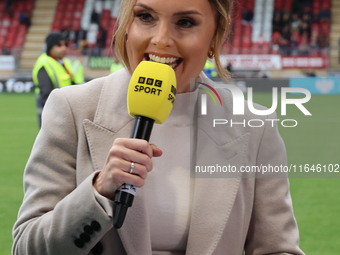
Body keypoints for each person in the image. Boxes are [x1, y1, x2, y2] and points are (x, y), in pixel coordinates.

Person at [13, 1, 305, 254]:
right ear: (127, 24)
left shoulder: (256, 125)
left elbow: (277, 249)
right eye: (146, 17)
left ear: (217, 36)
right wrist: (98, 192)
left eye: (186, 22)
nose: (161, 39)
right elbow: (27, 247)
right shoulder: (72, 107)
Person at [32, 32, 80, 127]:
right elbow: (46, 93)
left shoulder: (65, 62)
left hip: (67, 110)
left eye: (65, 45)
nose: (64, 48)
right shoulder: (44, 64)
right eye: (59, 45)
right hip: (54, 113)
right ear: (50, 47)